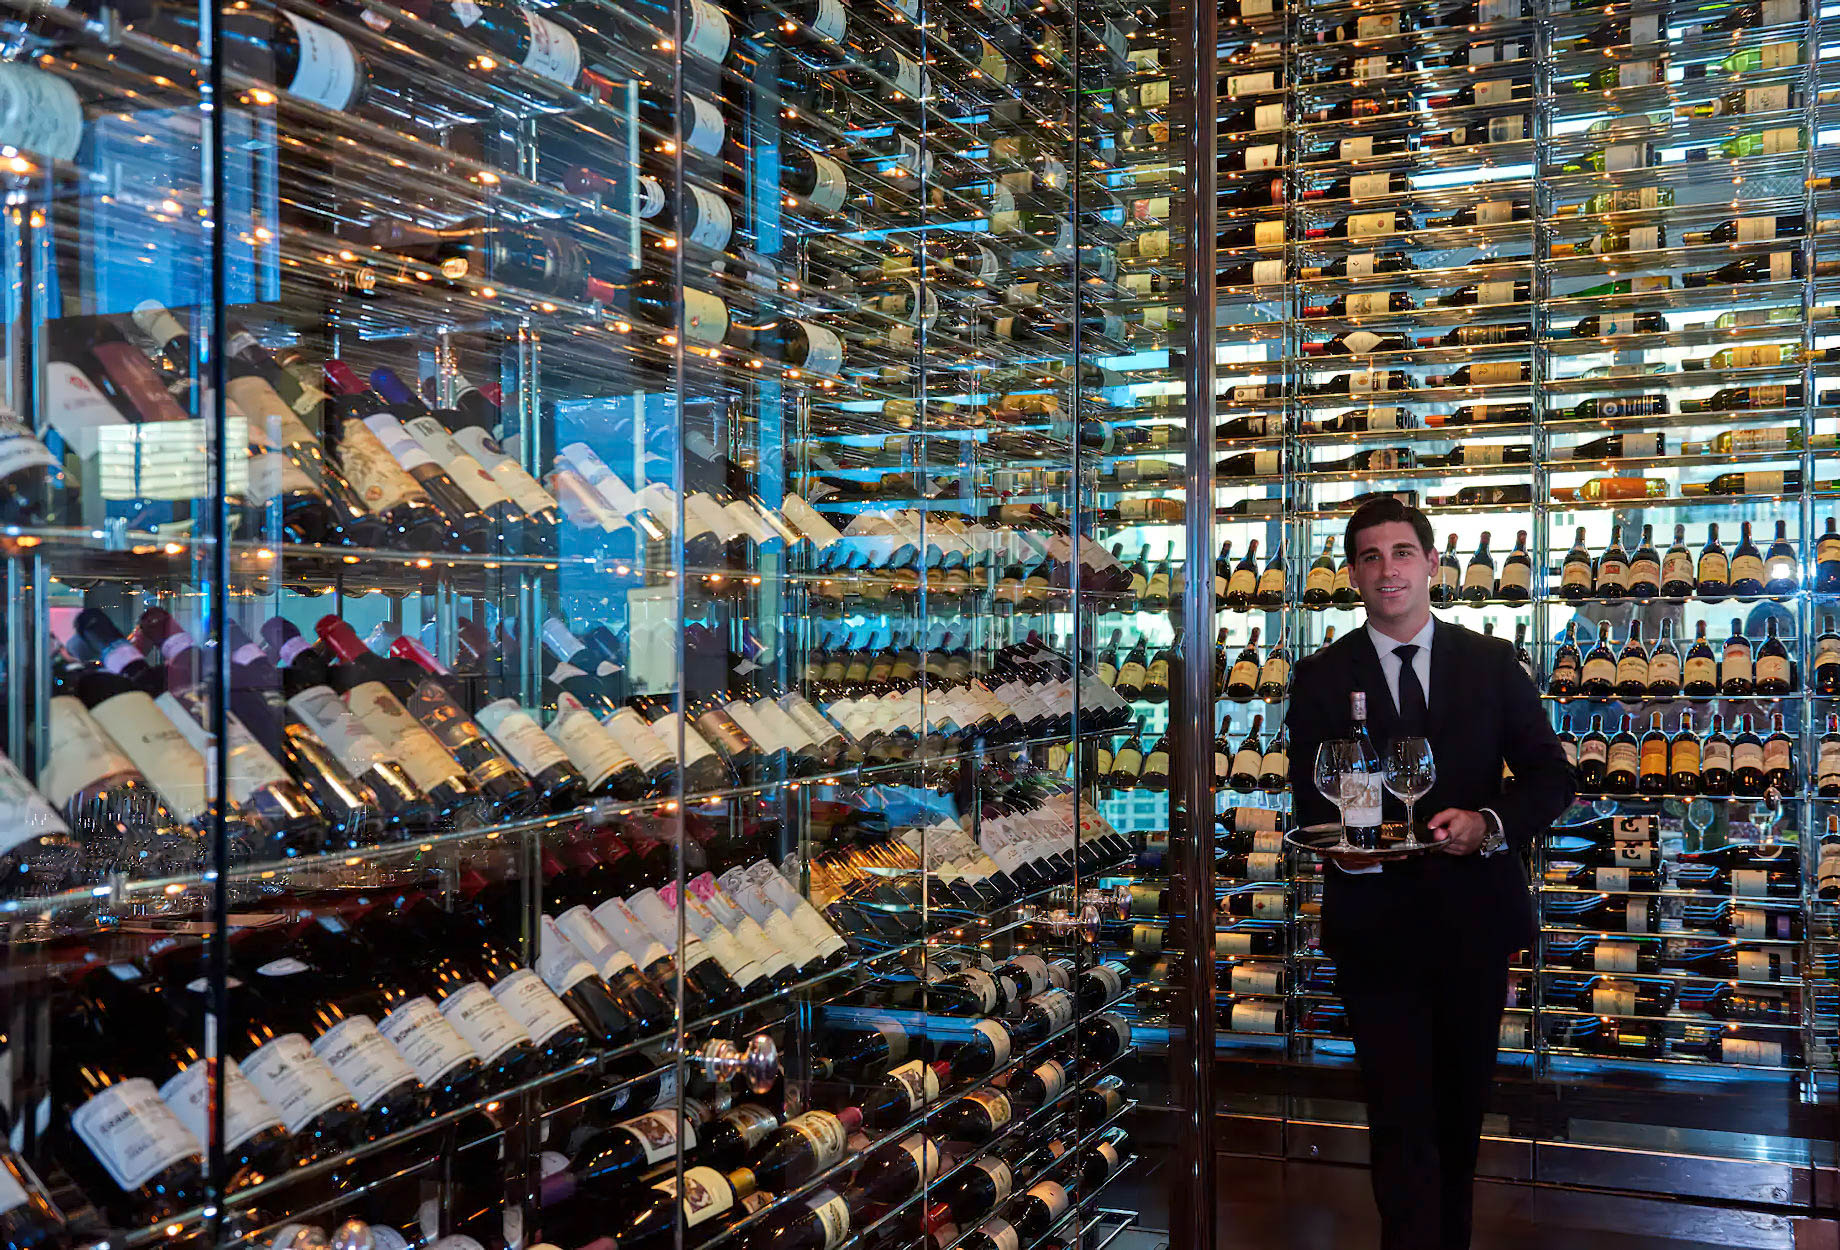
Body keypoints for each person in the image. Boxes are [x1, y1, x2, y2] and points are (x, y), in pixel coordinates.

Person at [1287, 498, 1575, 1250]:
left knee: (1459, 1113)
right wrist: (1338, 845)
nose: (1389, 570)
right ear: (1352, 572)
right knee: (1396, 1116)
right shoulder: (1321, 676)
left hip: (1472, 924)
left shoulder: (1489, 662)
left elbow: (1551, 777)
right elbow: (1306, 794)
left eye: (1403, 553)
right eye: (1372, 556)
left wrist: (1489, 823)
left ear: (1432, 565)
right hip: (1373, 928)